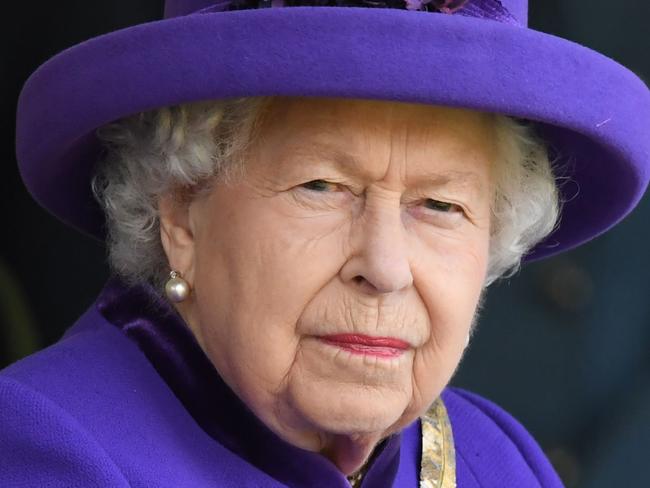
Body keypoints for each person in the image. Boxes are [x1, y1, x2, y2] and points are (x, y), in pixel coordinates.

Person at [2, 0, 649, 486]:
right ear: (181, 211)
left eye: (441, 205)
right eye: (323, 187)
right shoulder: (45, 446)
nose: (386, 267)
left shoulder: (499, 461)